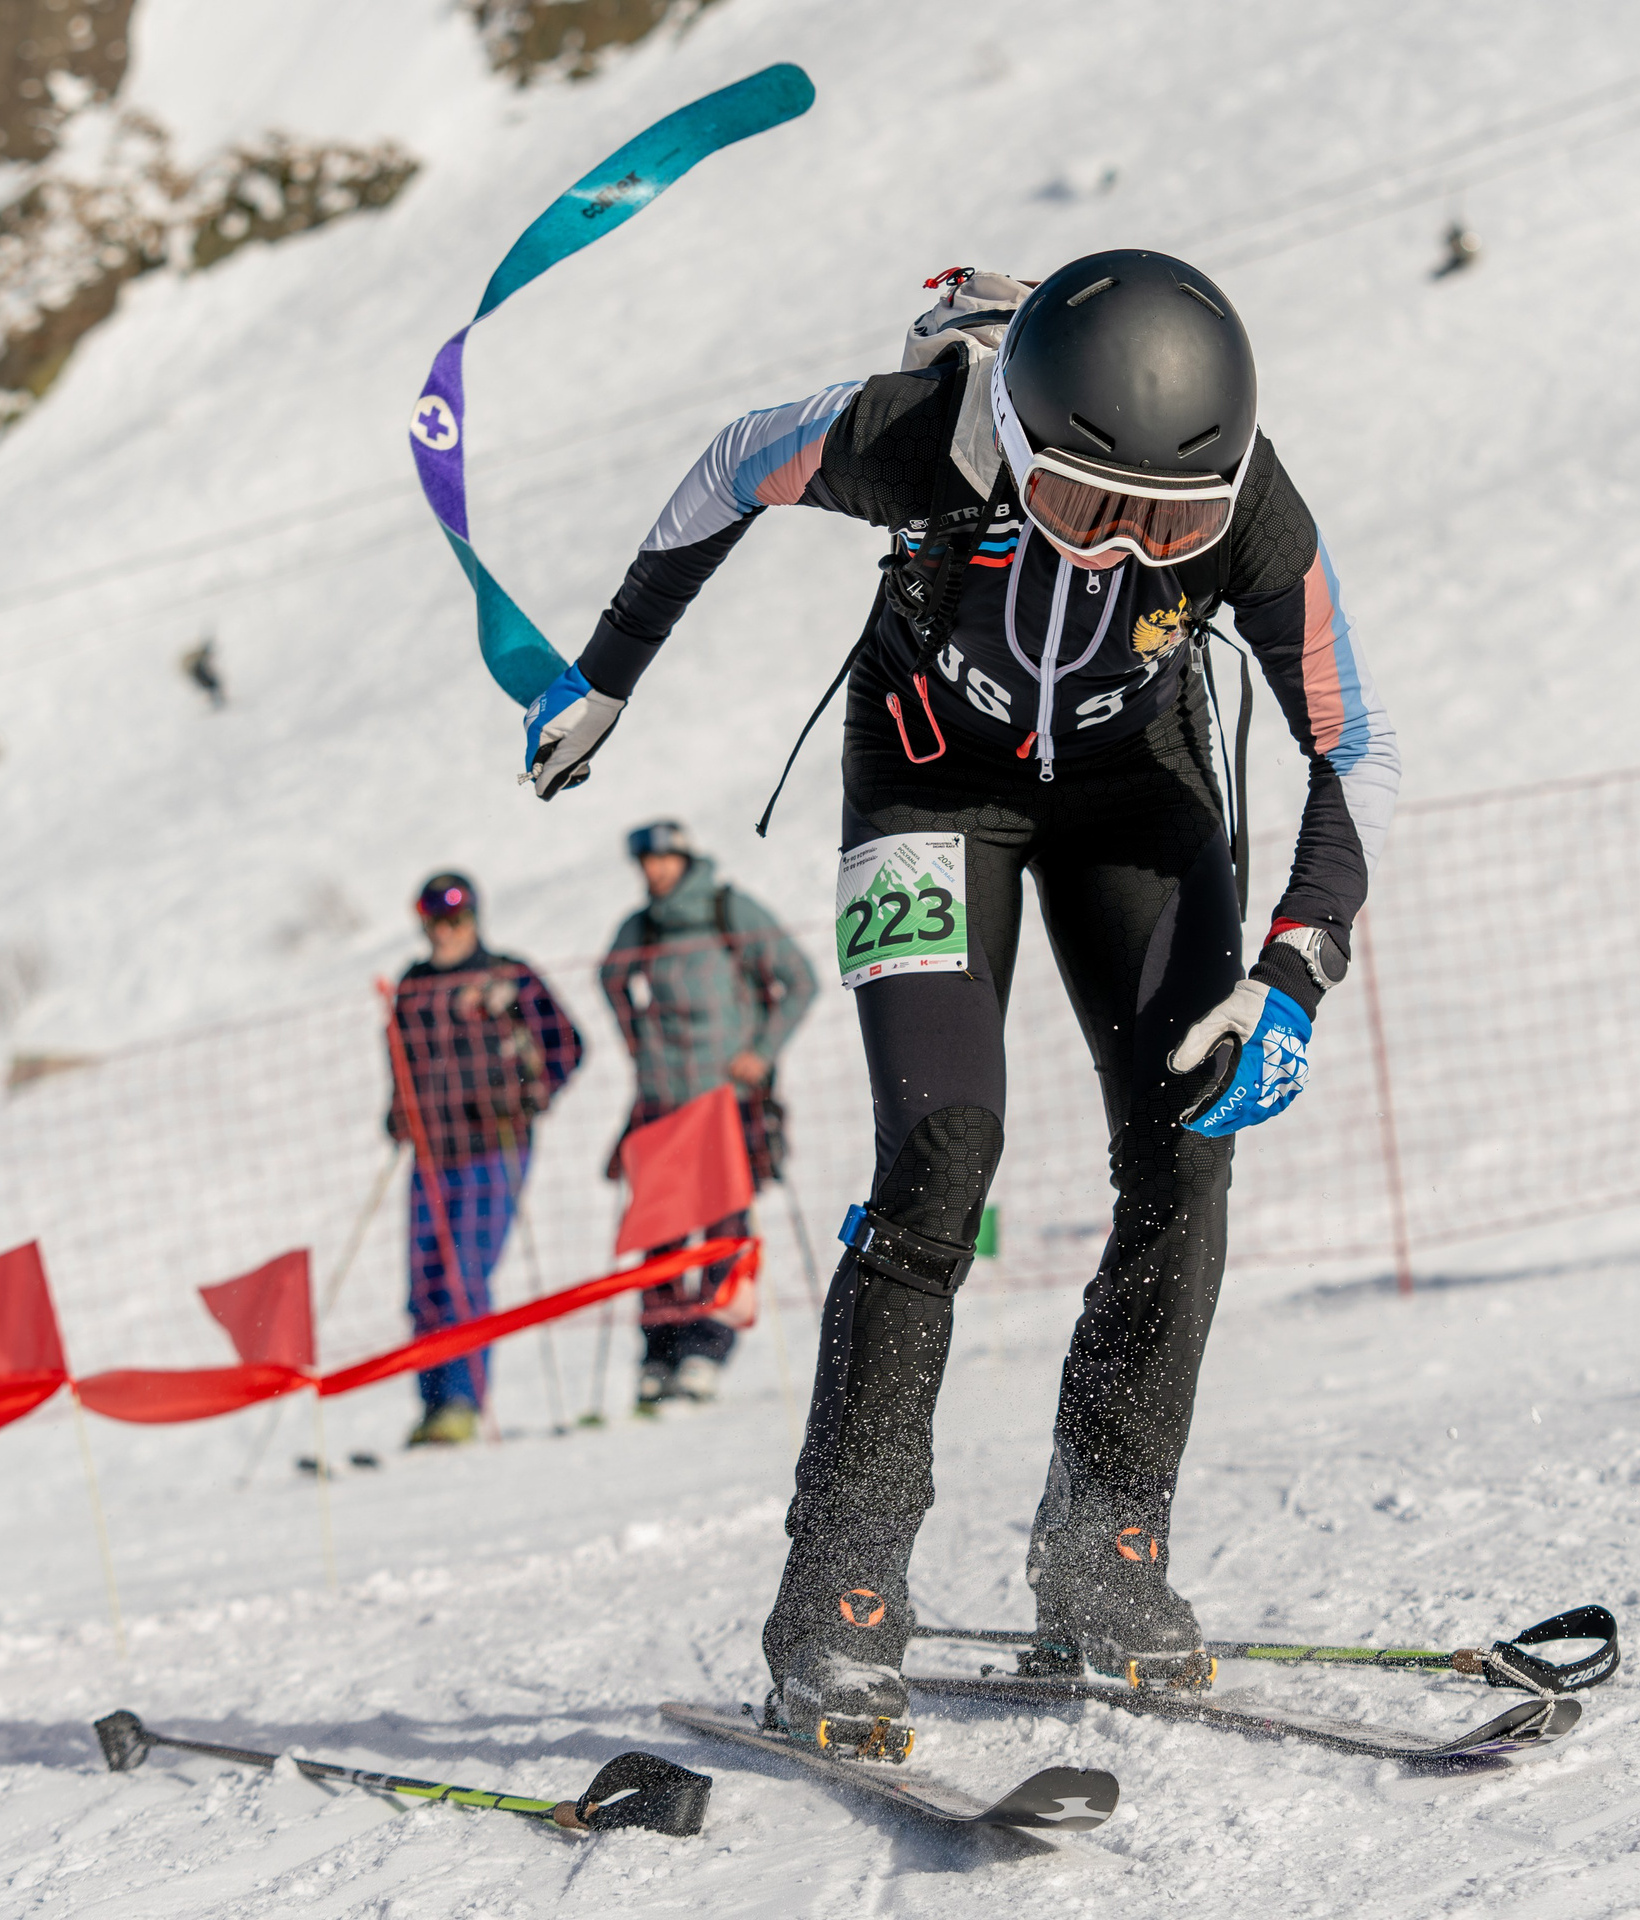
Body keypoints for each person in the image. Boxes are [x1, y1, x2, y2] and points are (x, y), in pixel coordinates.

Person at [516, 251, 1398, 1747]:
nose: (1122, 555)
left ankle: (1104, 1546)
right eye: (1079, 510)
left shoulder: (1256, 507)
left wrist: (1295, 966)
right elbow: (732, 465)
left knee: (1189, 1143)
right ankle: (839, 1596)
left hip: (1141, 799)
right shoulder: (918, 430)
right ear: (1015, 441)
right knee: (941, 1150)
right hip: (929, 781)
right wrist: (608, 674)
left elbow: (1351, 747)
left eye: (1163, 526)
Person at [599, 820, 818, 1411]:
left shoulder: (729, 909)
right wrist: (637, 1043)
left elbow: (799, 979)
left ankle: (708, 1346)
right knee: (662, 1230)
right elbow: (609, 977)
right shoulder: (643, 925)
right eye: (646, 861)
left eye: (664, 858)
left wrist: (762, 1052)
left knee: (724, 1227)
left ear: (684, 856)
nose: (655, 870)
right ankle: (659, 1350)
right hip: (664, 1101)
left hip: (727, 1100)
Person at [385, 872, 582, 1446]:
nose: (447, 931)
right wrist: (397, 1109)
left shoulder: (509, 977)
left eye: (458, 919)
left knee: (463, 1276)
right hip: (430, 1155)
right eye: (436, 921)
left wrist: (531, 1091)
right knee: (423, 1285)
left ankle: (462, 1405)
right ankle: (431, 1405)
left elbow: (567, 1045)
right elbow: (398, 1059)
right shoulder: (412, 986)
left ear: (474, 918)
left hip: (495, 1146)